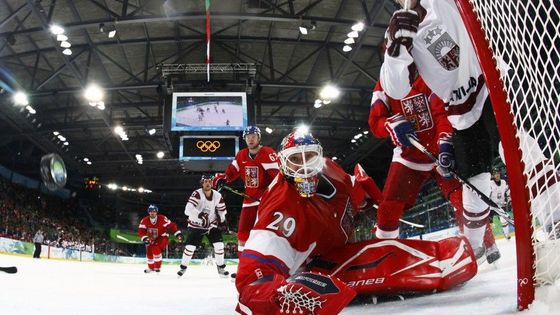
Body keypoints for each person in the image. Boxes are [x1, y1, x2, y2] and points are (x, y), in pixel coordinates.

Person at [234, 128, 477, 314]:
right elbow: (251, 280)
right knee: (399, 258)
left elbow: (354, 186)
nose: (306, 166)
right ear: (283, 163)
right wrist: (279, 298)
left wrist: (373, 200)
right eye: (296, 160)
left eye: (310, 157)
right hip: (319, 263)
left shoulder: (330, 169)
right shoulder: (281, 209)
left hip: (339, 241)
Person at [379, 0, 499, 256]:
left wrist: (444, 140)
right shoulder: (401, 31)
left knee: (524, 142)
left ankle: (552, 216)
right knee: (474, 182)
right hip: (459, 116)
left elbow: (435, 109)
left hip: (495, 81)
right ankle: (474, 246)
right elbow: (394, 89)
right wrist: (394, 47)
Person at [369, 76, 501, 263]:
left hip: (439, 152)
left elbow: (441, 113)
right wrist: (390, 123)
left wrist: (445, 142)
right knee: (388, 206)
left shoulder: (427, 71)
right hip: (409, 157)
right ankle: (384, 256)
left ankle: (485, 242)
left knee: (463, 199)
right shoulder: (384, 81)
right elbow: (375, 121)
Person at [213, 125, 279, 255]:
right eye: (248, 137)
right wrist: (223, 178)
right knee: (242, 234)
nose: (251, 139)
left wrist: (273, 196)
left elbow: (278, 177)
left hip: (267, 201)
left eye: (254, 136)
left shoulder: (267, 152)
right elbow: (231, 173)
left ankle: (269, 263)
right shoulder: (242, 155)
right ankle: (243, 265)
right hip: (249, 201)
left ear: (259, 138)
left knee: (268, 234)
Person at [177, 174, 229, 277]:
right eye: (205, 181)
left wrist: (222, 220)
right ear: (202, 183)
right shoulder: (197, 194)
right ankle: (183, 267)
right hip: (196, 225)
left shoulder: (217, 195)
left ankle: (221, 268)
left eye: (210, 181)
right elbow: (187, 210)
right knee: (190, 247)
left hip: (210, 225)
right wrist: (200, 215)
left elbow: (222, 210)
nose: (207, 183)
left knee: (219, 245)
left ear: (212, 183)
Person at [138, 204, 183, 273]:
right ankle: (151, 268)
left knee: (155, 249)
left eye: (154, 211)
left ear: (156, 212)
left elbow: (172, 226)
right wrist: (144, 238)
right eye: (150, 211)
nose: (152, 213)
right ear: (148, 212)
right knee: (149, 253)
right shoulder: (144, 220)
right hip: (151, 238)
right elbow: (141, 231)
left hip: (162, 237)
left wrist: (178, 234)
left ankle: (157, 268)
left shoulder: (162, 218)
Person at [489, 168, 513, 240]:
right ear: (493, 175)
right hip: (492, 206)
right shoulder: (490, 183)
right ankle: (490, 238)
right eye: (495, 174)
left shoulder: (503, 182)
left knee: (504, 220)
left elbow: (507, 191)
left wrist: (509, 200)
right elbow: (487, 194)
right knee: (489, 222)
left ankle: (506, 235)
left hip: (501, 205)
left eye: (498, 173)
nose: (497, 175)